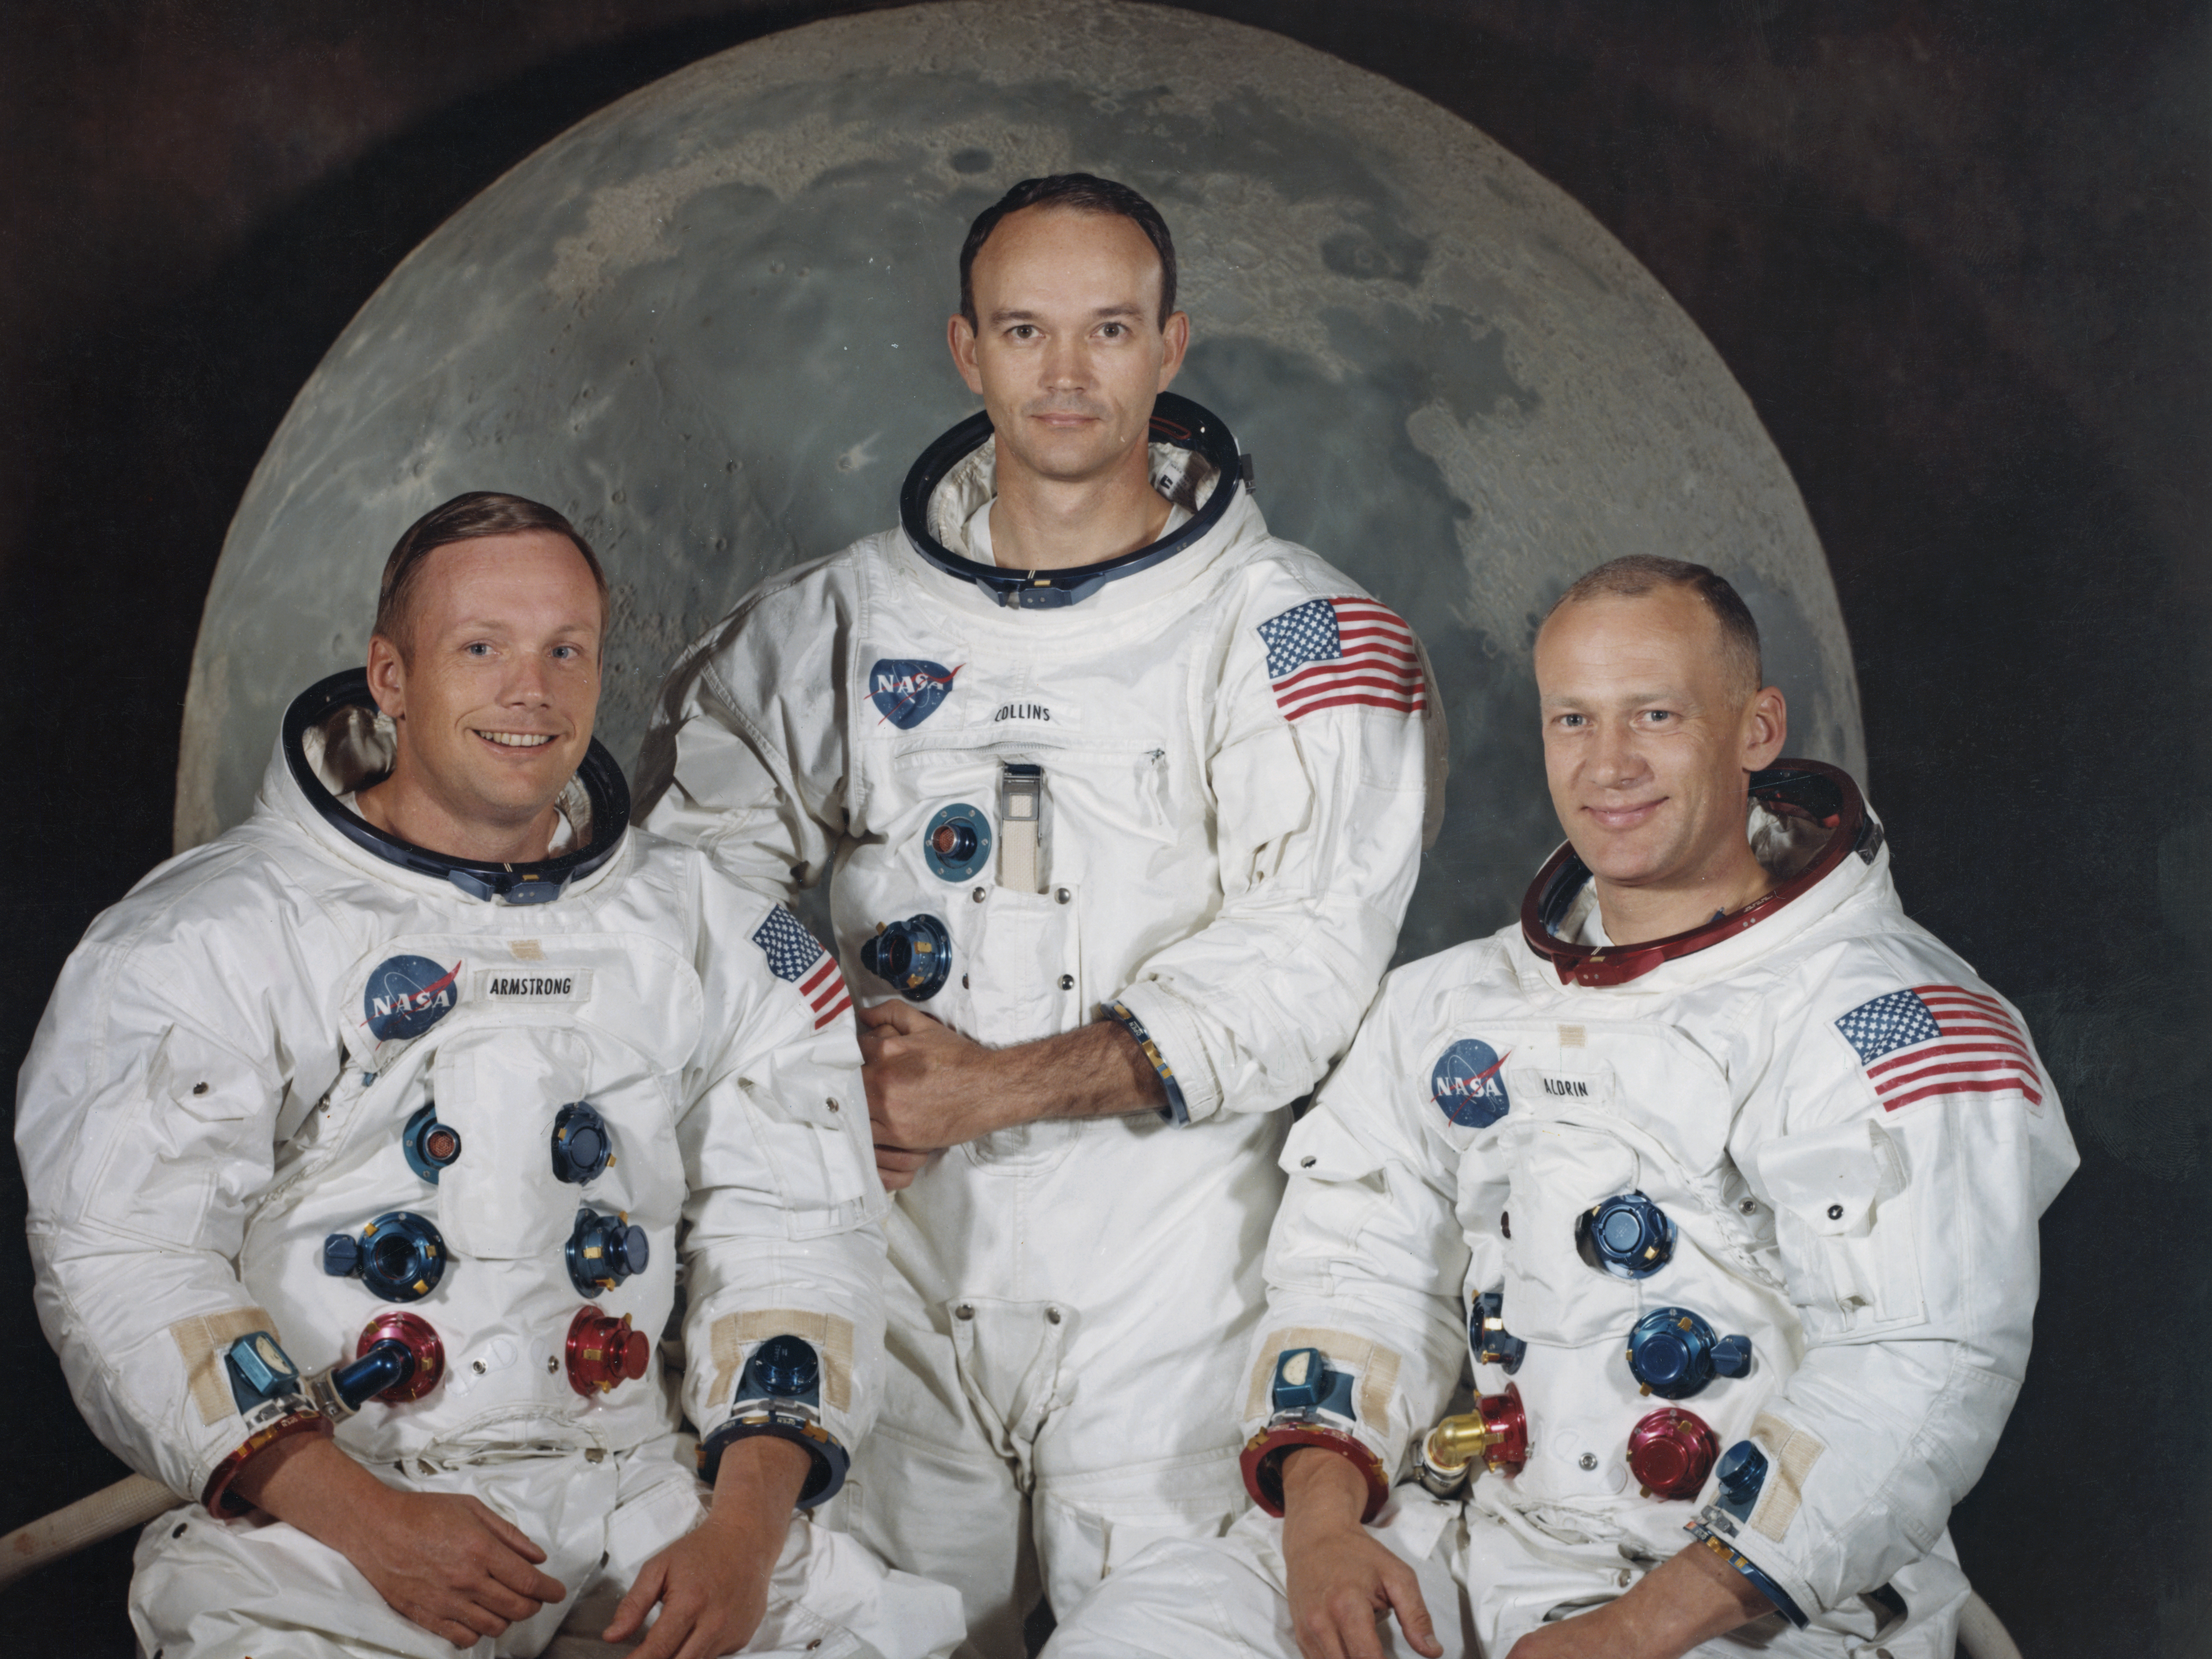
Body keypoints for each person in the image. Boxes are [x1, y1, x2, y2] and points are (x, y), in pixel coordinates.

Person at [638, 174, 1443, 1654]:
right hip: (891, 1243)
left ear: (1171, 345)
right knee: (846, 1626)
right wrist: (827, 1054)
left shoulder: (1297, 631)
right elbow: (695, 894)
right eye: (1025, 329)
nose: (1067, 375)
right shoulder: (827, 624)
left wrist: (994, 1088)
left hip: (1172, 1255)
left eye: (1108, 330)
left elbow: (1306, 956)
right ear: (966, 352)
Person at [1040, 554, 2078, 1659]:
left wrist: (1635, 1632)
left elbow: (1919, 1368)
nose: (1609, 765)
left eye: (1657, 716)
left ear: (1756, 729)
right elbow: (1357, 1270)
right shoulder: (1450, 1005)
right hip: (1492, 1540)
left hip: (1762, 1599)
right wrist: (1324, 1529)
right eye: (1572, 719)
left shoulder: (1893, 1019)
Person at [16, 493, 964, 1659]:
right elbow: (125, 1258)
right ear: (389, 676)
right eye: (482, 648)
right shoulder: (204, 934)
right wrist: (369, 1522)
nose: (533, 690)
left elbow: (799, 1233)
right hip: (332, 1515)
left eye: (566, 649)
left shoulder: (715, 930)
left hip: (641, 1500)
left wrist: (745, 1535)